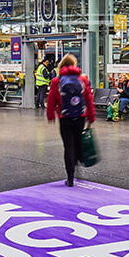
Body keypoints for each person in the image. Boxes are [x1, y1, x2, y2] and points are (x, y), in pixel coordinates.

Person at [46, 53, 95, 187]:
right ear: (74, 65)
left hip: (65, 117)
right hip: (80, 116)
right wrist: (91, 116)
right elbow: (89, 99)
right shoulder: (82, 80)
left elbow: (51, 100)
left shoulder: (57, 80)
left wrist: (50, 115)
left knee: (68, 146)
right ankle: (77, 160)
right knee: (77, 142)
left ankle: (70, 177)